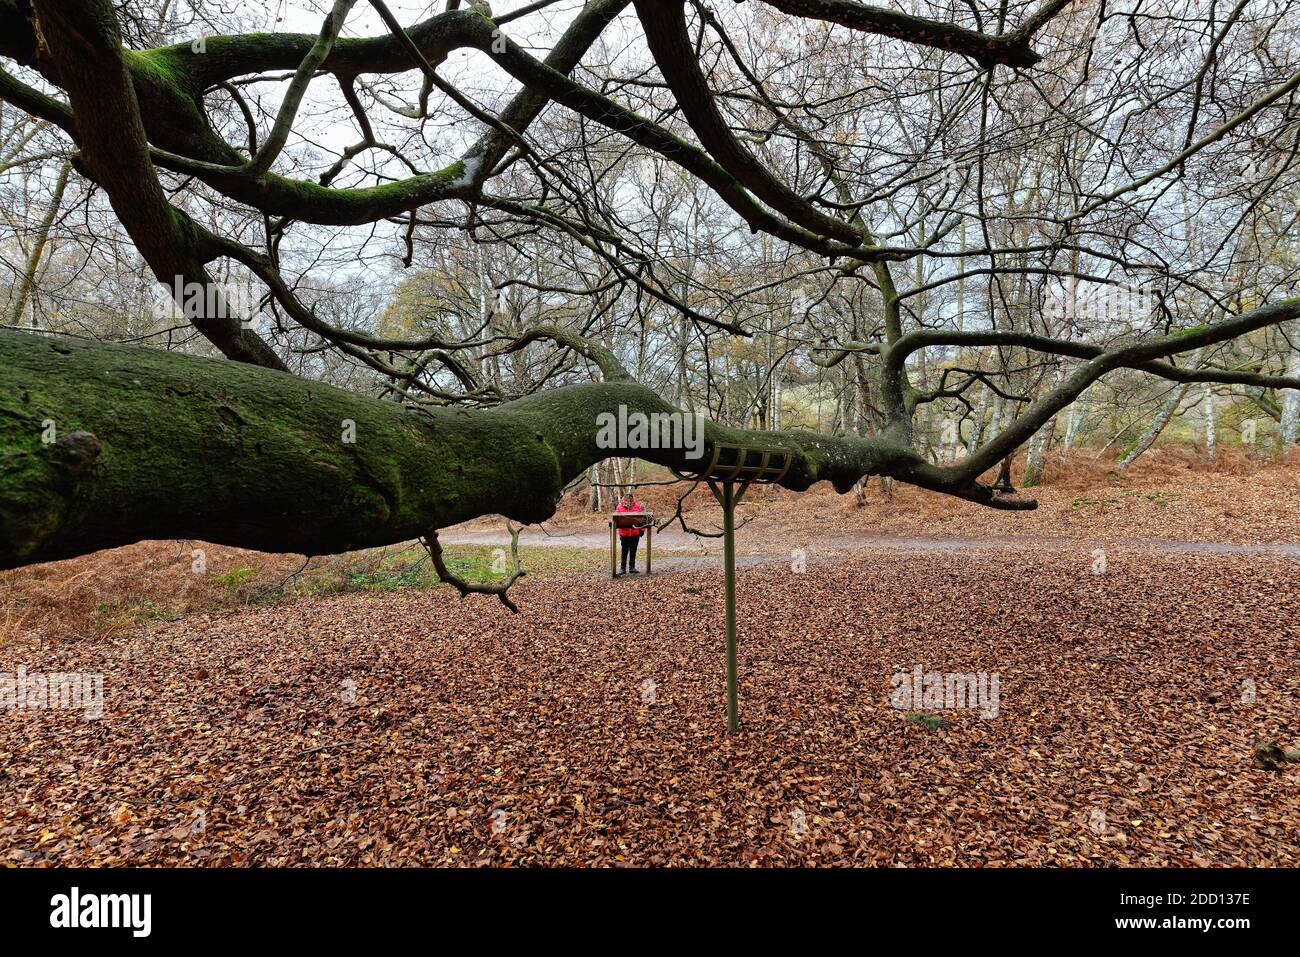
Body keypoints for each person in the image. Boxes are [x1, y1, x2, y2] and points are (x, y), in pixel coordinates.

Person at [614, 491, 646, 575]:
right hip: (624, 534)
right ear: (623, 500)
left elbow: (643, 519)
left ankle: (632, 567)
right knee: (624, 551)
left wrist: (642, 530)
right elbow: (616, 520)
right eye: (626, 501)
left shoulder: (638, 507)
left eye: (630, 501)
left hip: (635, 533)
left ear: (632, 500)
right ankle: (622, 568)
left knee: (633, 550)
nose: (628, 502)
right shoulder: (619, 508)